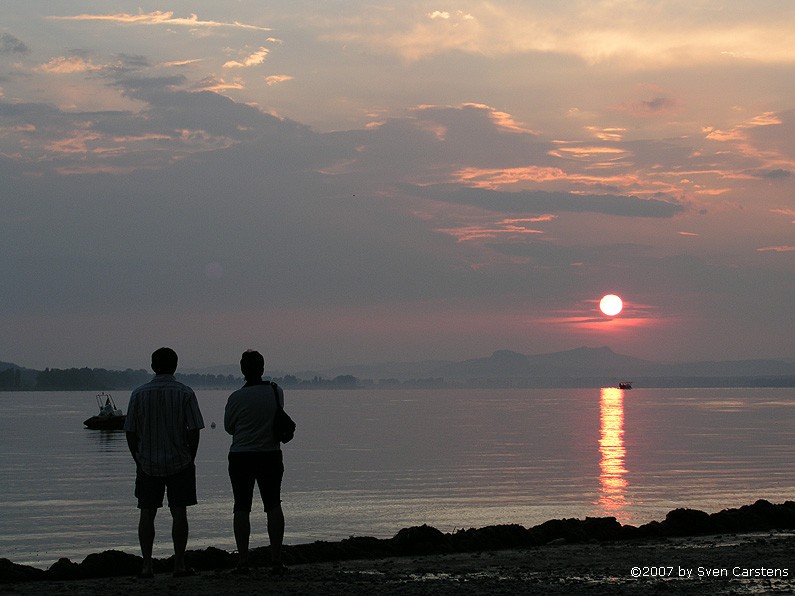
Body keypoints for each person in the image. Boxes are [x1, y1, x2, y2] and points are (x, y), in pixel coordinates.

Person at [124, 347, 205, 578]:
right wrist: (192, 457)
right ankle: (179, 564)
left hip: (147, 462)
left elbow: (129, 431)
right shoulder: (185, 392)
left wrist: (137, 457)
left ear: (152, 366)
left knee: (147, 513)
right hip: (180, 460)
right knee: (179, 512)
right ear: (176, 366)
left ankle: (147, 565)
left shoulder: (138, 394)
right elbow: (194, 429)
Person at [224, 350, 287, 574]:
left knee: (241, 507)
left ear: (242, 370)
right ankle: (276, 559)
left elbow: (229, 427)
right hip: (270, 454)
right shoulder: (275, 391)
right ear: (262, 368)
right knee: (273, 505)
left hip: (241, 456)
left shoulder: (236, 397)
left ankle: (243, 560)